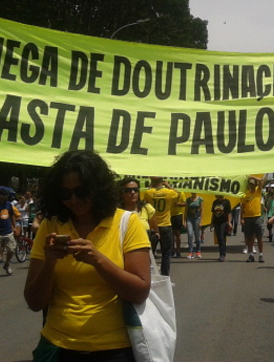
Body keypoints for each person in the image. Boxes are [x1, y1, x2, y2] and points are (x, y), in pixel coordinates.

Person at [24, 150, 151, 361]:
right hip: (57, 347)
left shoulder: (127, 223)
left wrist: (97, 259)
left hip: (114, 349)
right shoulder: (50, 226)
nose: (73, 200)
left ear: (98, 188)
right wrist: (49, 262)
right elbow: (35, 302)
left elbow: (139, 292)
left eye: (81, 191)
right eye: (65, 193)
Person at [144, 176, 177, 276]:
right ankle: (165, 275)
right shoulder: (169, 193)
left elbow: (146, 203)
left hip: (153, 226)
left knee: (150, 253)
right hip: (166, 225)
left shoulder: (148, 193)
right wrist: (168, 185)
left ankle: (149, 275)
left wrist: (151, 186)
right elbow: (177, 194)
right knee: (166, 253)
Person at [118, 177, 160, 248]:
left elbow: (156, 232)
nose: (133, 192)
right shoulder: (116, 212)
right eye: (128, 190)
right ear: (122, 193)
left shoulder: (147, 208)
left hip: (144, 250)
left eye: (135, 190)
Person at [241, 175, 265, 263]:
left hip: (257, 217)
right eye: (250, 184)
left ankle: (261, 254)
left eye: (253, 184)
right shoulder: (245, 194)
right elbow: (242, 207)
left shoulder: (258, 191)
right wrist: (242, 218)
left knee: (259, 237)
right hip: (247, 218)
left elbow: (261, 181)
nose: (251, 186)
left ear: (255, 185)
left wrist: (251, 177)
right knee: (249, 237)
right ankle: (250, 254)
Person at [211, 194, 232, 261]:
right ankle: (221, 252)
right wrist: (211, 223)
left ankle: (222, 254)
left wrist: (229, 222)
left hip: (223, 221)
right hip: (216, 221)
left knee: (221, 236)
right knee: (219, 238)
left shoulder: (226, 202)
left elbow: (228, 213)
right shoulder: (215, 202)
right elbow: (213, 213)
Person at [0, 187, 17, 276]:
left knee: (11, 250)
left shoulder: (8, 204)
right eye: (5, 194)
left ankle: (7, 264)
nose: (6, 196)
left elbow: (12, 215)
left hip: (8, 231)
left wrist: (14, 226)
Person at [185, 192, 204, 259]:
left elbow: (202, 210)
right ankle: (190, 252)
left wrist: (201, 221)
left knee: (197, 235)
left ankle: (198, 251)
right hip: (189, 218)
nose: (193, 193)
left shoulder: (200, 199)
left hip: (197, 218)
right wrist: (184, 221)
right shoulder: (188, 200)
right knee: (190, 234)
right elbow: (186, 211)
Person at [171, 191, 186, 258]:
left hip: (177, 215)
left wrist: (178, 204)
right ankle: (172, 250)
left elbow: (185, 203)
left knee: (177, 233)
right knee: (170, 234)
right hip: (168, 215)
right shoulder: (168, 192)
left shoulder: (181, 192)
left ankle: (178, 251)